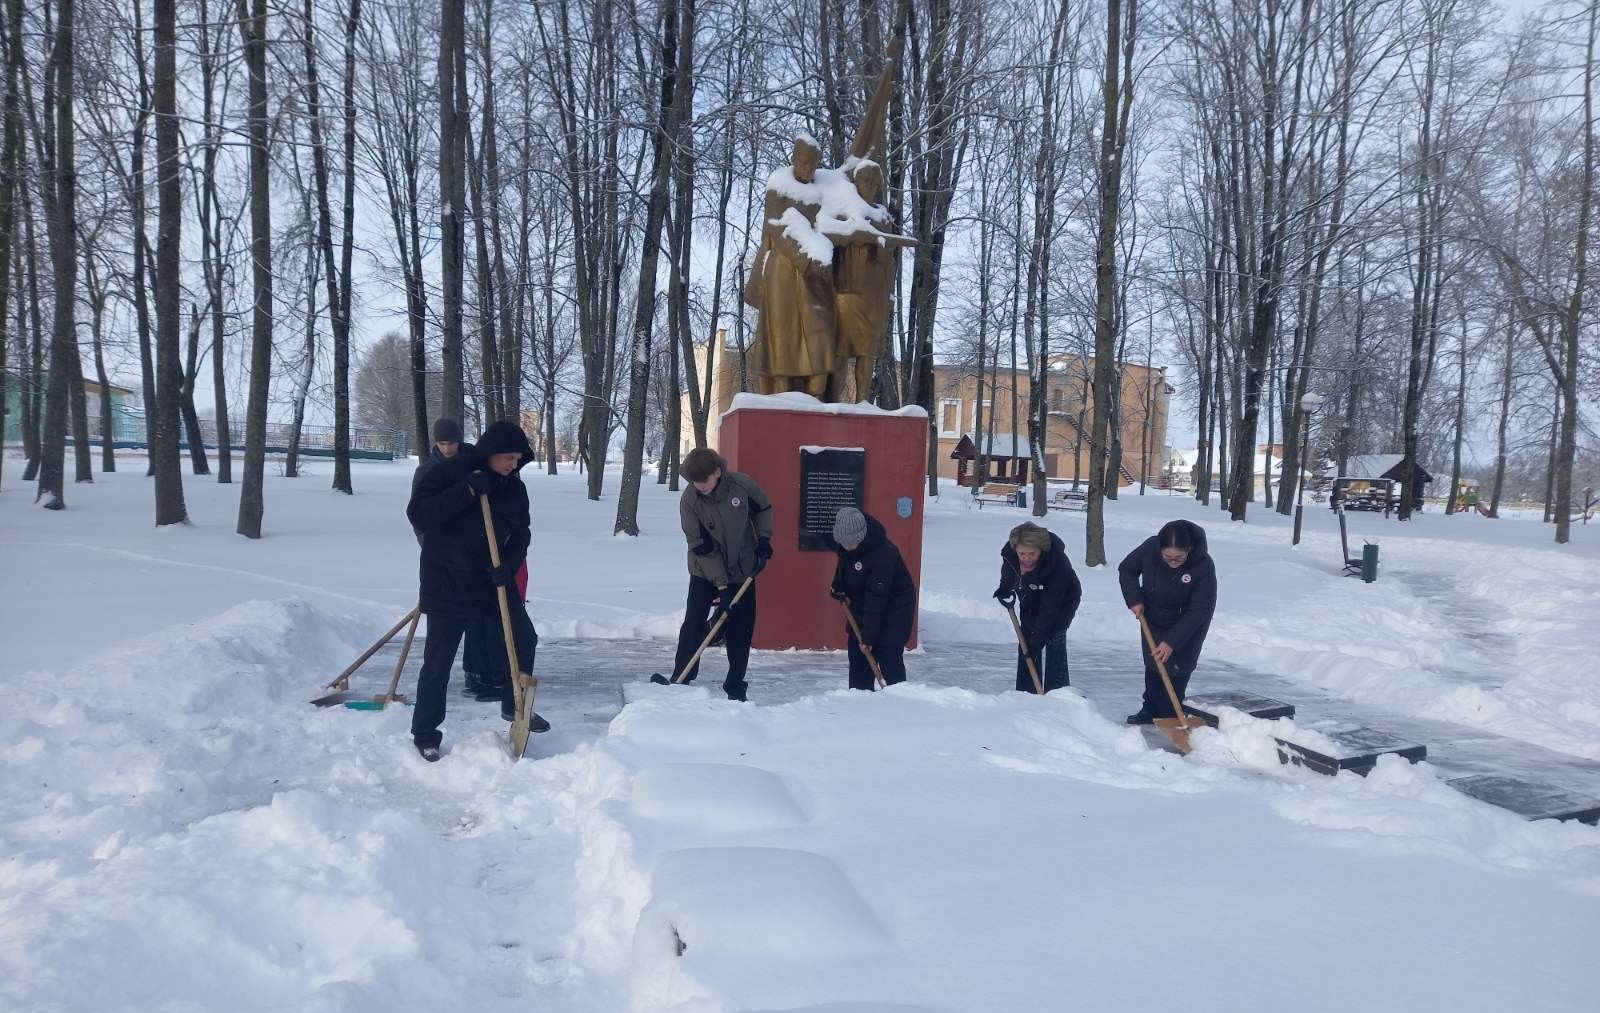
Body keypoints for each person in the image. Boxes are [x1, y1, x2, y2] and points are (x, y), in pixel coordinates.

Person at [405, 420, 545, 761]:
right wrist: (467, 490)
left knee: (524, 637)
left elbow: (522, 533)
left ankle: (514, 707)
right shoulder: (451, 472)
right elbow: (420, 514)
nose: (514, 464)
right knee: (438, 661)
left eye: (517, 458)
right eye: (507, 458)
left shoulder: (514, 488)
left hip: (489, 582)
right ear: (489, 454)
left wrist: (506, 567)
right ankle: (425, 731)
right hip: (447, 581)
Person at [411, 418, 509, 704]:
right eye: (441, 443)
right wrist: (433, 548)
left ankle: (480, 673)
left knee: (481, 622)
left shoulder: (474, 463)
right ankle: (426, 729)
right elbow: (420, 515)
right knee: (439, 650)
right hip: (441, 564)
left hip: (477, 562)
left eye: (451, 443)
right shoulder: (427, 471)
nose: (447, 448)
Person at [668, 447, 773, 701]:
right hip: (704, 570)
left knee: (741, 628)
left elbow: (764, 509)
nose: (699, 486)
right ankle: (681, 677)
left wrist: (764, 539)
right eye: (694, 482)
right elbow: (701, 546)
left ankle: (735, 685)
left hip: (742, 567)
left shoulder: (741, 486)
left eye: (703, 481)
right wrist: (722, 587)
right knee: (694, 622)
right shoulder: (690, 500)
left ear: (717, 472)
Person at [1117, 519, 1217, 725]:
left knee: (1178, 666)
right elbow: (1127, 570)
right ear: (1160, 549)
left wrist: (1172, 641)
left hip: (1188, 624)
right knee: (1154, 662)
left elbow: (1200, 610)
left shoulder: (1204, 565)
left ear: (1189, 549)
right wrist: (1134, 599)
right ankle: (1149, 709)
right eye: (1168, 557)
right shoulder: (1149, 548)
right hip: (1152, 617)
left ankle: (1170, 713)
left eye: (1179, 558)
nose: (1173, 562)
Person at [828, 506, 915, 690]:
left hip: (893, 614)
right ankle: (860, 701)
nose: (847, 547)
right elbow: (844, 569)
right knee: (859, 663)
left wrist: (868, 638)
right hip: (863, 611)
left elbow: (877, 600)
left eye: (851, 543)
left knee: (888, 660)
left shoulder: (884, 554)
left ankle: (899, 702)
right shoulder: (847, 547)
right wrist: (838, 587)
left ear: (860, 537)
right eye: (844, 543)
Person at [993, 522, 1081, 693]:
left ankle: (1058, 692)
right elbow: (1009, 571)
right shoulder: (1011, 554)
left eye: (1031, 554)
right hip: (1030, 595)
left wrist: (1036, 643)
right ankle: (1026, 692)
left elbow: (1050, 609)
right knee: (1025, 642)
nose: (1026, 558)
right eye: (1022, 554)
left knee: (1053, 637)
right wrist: (1005, 587)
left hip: (1062, 601)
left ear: (1041, 549)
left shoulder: (1057, 564)